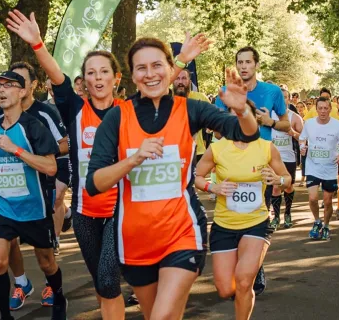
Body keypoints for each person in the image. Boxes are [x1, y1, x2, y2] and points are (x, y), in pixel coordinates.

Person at [6, 9, 211, 319]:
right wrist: (37, 44)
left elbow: (154, 82)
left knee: (107, 278)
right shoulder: (74, 107)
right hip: (85, 212)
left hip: (121, 210)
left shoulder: (127, 110)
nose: (97, 78)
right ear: (84, 80)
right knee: (104, 288)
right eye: (91, 72)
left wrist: (180, 61)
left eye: (104, 72)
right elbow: (57, 76)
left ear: (117, 78)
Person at [86, 38, 259, 320]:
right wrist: (132, 159)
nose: (150, 73)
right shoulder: (118, 117)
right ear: (132, 75)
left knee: (162, 317)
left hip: (181, 233)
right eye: (141, 68)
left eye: (157, 65)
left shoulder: (189, 109)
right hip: (134, 241)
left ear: (171, 69)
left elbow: (245, 133)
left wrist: (242, 111)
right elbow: (94, 183)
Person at [195, 99, 291, 320]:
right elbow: (197, 177)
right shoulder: (217, 148)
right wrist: (214, 187)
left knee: (244, 281)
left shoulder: (265, 147)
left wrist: (278, 179)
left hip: (256, 223)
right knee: (225, 288)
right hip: (224, 224)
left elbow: (288, 180)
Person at [0, 71, 67, 320]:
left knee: (46, 263)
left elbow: (51, 167)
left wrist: (17, 150)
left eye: (9, 85)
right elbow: (1, 161)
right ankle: (5, 317)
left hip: (34, 207)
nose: (2, 90)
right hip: (3, 205)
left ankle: (60, 298)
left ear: (22, 92)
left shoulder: (34, 126)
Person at [214, 47, 288, 291]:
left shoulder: (272, 91)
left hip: (261, 161)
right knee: (234, 214)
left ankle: (254, 268)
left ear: (256, 65)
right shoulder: (225, 93)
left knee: (257, 215)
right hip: (231, 161)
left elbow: (288, 124)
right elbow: (214, 129)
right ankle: (240, 264)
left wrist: (270, 122)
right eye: (239, 62)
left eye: (248, 62)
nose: (243, 66)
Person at [300, 97, 339, 240]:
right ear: (316, 109)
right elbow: (302, 138)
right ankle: (317, 221)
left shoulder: (337, 126)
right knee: (312, 198)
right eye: (320, 108)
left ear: (330, 109)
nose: (323, 111)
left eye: (325, 108)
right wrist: (302, 147)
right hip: (312, 166)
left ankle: (327, 225)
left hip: (329, 168)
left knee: (328, 200)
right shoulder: (309, 123)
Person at [269, 88, 302, 230]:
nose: (282, 100)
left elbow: (304, 137)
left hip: (288, 157)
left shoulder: (294, 117)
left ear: (289, 99)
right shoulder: (267, 115)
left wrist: (292, 132)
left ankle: (288, 213)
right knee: (275, 187)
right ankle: (276, 217)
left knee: (288, 186)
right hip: (271, 157)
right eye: (279, 97)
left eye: (285, 97)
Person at [173, 69, 210, 163]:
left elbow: (213, 120)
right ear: (172, 80)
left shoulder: (200, 98)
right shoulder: (166, 100)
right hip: (173, 152)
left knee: (197, 177)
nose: (180, 82)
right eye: (177, 78)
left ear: (189, 81)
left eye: (184, 78)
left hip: (197, 151)